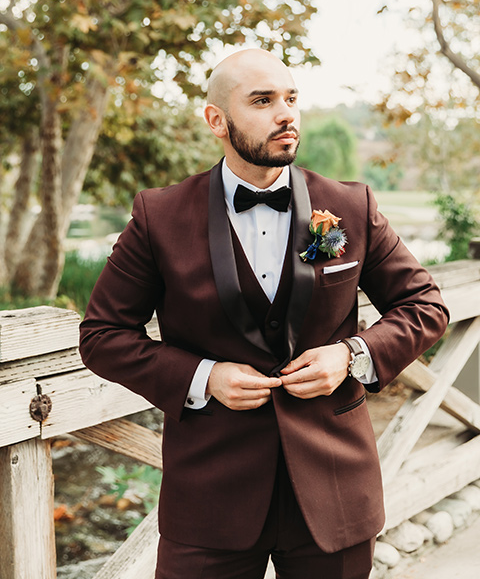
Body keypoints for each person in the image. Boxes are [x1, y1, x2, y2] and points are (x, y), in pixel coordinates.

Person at [79, 48, 449, 579]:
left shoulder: (351, 206)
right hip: (209, 499)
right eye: (263, 100)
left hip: (335, 491)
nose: (286, 114)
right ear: (216, 120)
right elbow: (102, 335)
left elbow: (425, 306)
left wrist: (351, 356)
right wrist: (204, 377)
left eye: (292, 98)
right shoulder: (157, 217)